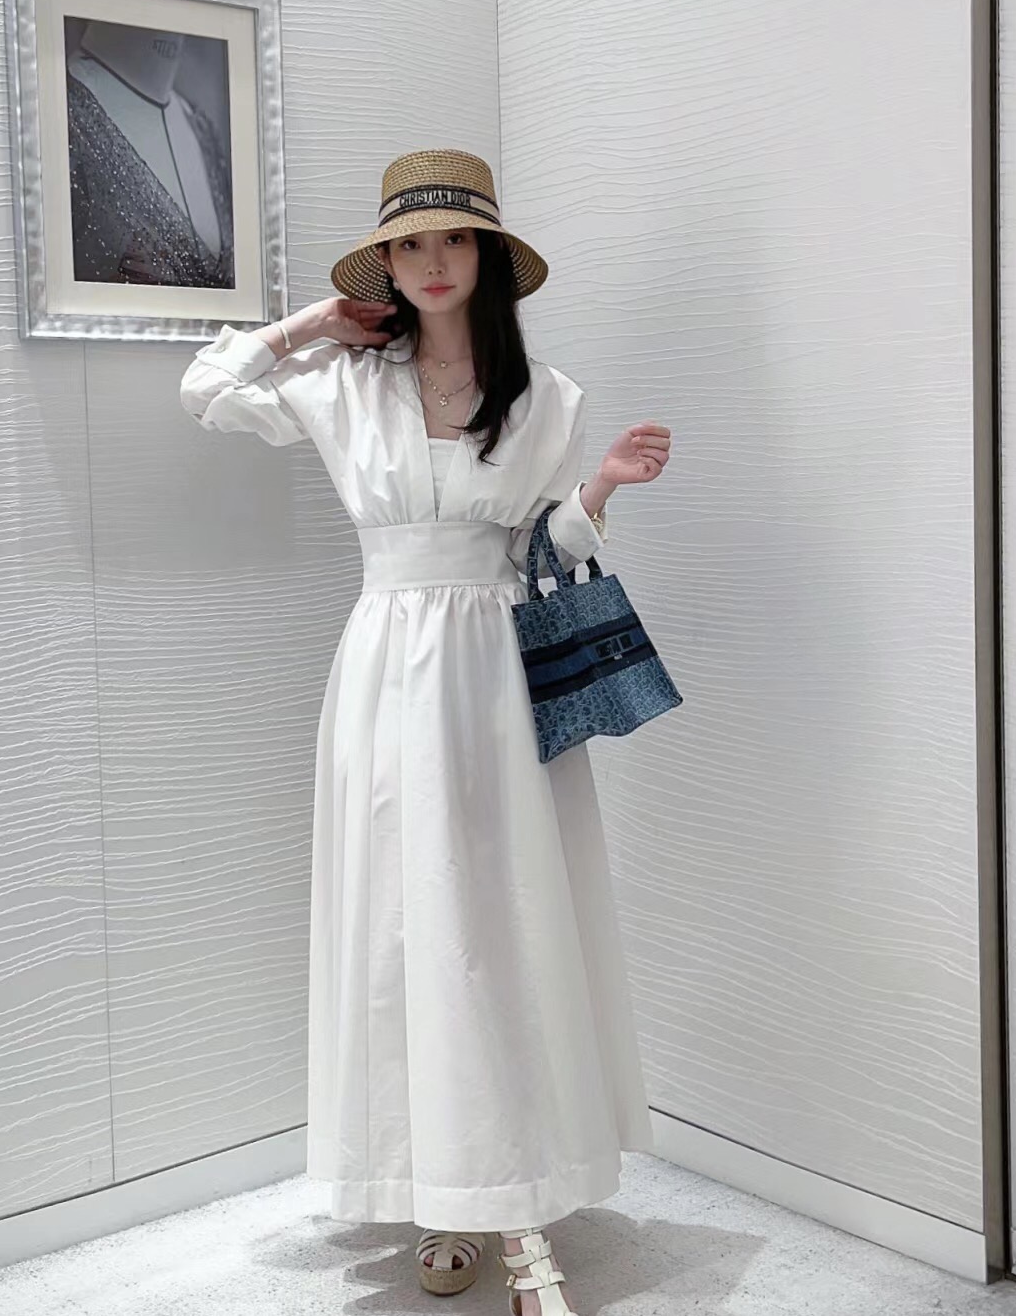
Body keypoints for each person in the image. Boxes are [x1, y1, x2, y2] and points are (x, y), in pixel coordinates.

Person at [180, 149, 672, 1315]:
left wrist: (598, 490)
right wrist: (312, 324)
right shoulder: (346, 383)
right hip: (386, 670)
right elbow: (207, 388)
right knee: (407, 928)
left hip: (496, 675)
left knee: (507, 924)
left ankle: (521, 1197)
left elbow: (538, 549)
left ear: (487, 257)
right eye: (409, 244)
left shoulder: (548, 398)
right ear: (385, 267)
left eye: (453, 239)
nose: (433, 261)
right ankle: (442, 1195)